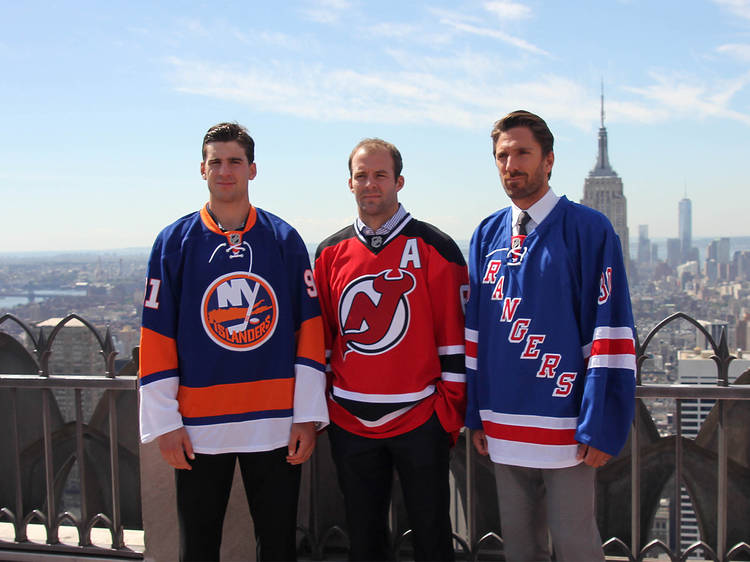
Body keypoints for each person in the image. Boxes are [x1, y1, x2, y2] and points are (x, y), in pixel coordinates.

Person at [138, 122, 328, 561]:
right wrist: (165, 422)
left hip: (276, 425)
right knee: (198, 548)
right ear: (202, 170)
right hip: (199, 430)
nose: (225, 171)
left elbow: (309, 331)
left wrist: (306, 416)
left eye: (235, 162)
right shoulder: (173, 243)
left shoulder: (284, 240)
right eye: (216, 162)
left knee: (279, 546)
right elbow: (157, 335)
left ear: (252, 169)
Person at [465, 110, 636, 562]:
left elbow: (611, 328)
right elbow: (476, 332)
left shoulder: (589, 229)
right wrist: (476, 415)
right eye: (502, 155)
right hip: (503, 421)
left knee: (576, 544)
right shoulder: (486, 234)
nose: (510, 164)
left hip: (566, 426)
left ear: (549, 160)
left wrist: (601, 424)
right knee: (519, 548)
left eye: (523, 152)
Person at [314, 138, 468, 561]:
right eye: (361, 176)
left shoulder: (439, 248)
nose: (370, 184)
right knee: (363, 540)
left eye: (380, 175)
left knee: (433, 536)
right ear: (349, 183)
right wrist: (327, 406)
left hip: (421, 418)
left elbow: (454, 339)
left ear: (399, 181)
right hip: (349, 420)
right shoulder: (329, 253)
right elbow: (323, 341)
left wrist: (446, 415)